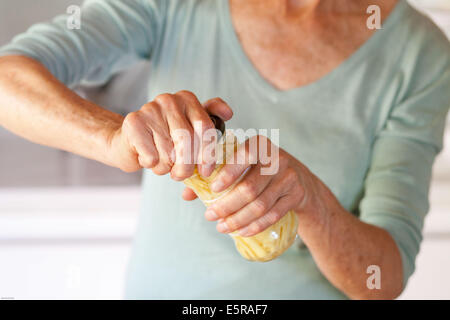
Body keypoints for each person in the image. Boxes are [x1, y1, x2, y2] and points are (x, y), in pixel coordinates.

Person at [0, 0, 449, 299]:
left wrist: (310, 202)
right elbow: (8, 79)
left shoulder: (419, 54)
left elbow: (383, 278)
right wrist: (115, 137)